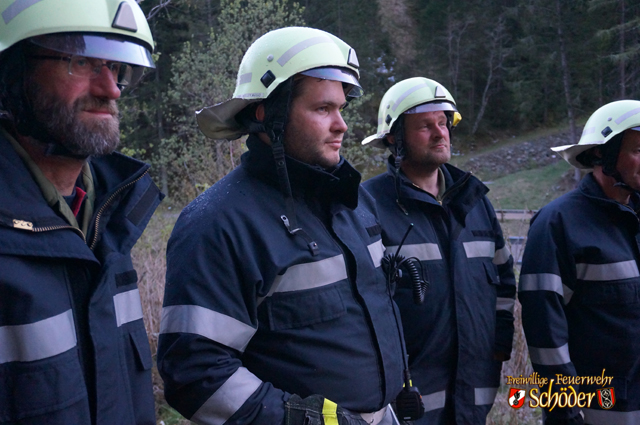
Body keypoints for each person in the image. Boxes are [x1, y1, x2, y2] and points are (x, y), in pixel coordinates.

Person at [157, 26, 407, 425]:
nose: (341, 124)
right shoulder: (217, 224)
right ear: (268, 114)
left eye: (341, 108)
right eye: (323, 109)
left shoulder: (355, 204)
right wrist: (309, 420)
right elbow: (195, 372)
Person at [0, 0, 162, 423]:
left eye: (117, 67)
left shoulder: (110, 215)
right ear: (11, 74)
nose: (111, 90)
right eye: (82, 61)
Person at [361, 77, 516, 424]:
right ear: (394, 137)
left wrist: (498, 347)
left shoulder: (475, 202)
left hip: (474, 393)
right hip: (406, 400)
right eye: (424, 126)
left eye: (443, 123)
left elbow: (504, 281)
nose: (439, 133)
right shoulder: (368, 205)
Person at [519, 100, 640, 425]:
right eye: (638, 150)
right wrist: (566, 412)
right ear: (603, 154)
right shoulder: (558, 223)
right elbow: (544, 330)